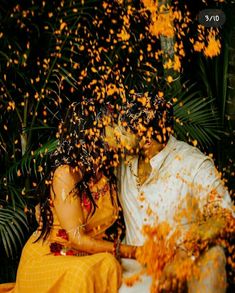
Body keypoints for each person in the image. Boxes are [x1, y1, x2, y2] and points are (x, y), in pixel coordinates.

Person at [0, 103, 137, 293]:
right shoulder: (66, 174)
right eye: (110, 123)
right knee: (87, 271)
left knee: (108, 264)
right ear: (92, 132)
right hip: (51, 257)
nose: (116, 129)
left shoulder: (108, 167)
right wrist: (135, 252)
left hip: (88, 257)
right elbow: (77, 239)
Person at [105, 93, 234, 293]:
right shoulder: (122, 158)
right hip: (132, 267)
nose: (118, 134)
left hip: (181, 265)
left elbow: (225, 216)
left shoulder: (193, 165)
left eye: (124, 131)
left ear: (147, 141)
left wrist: (184, 250)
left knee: (214, 257)